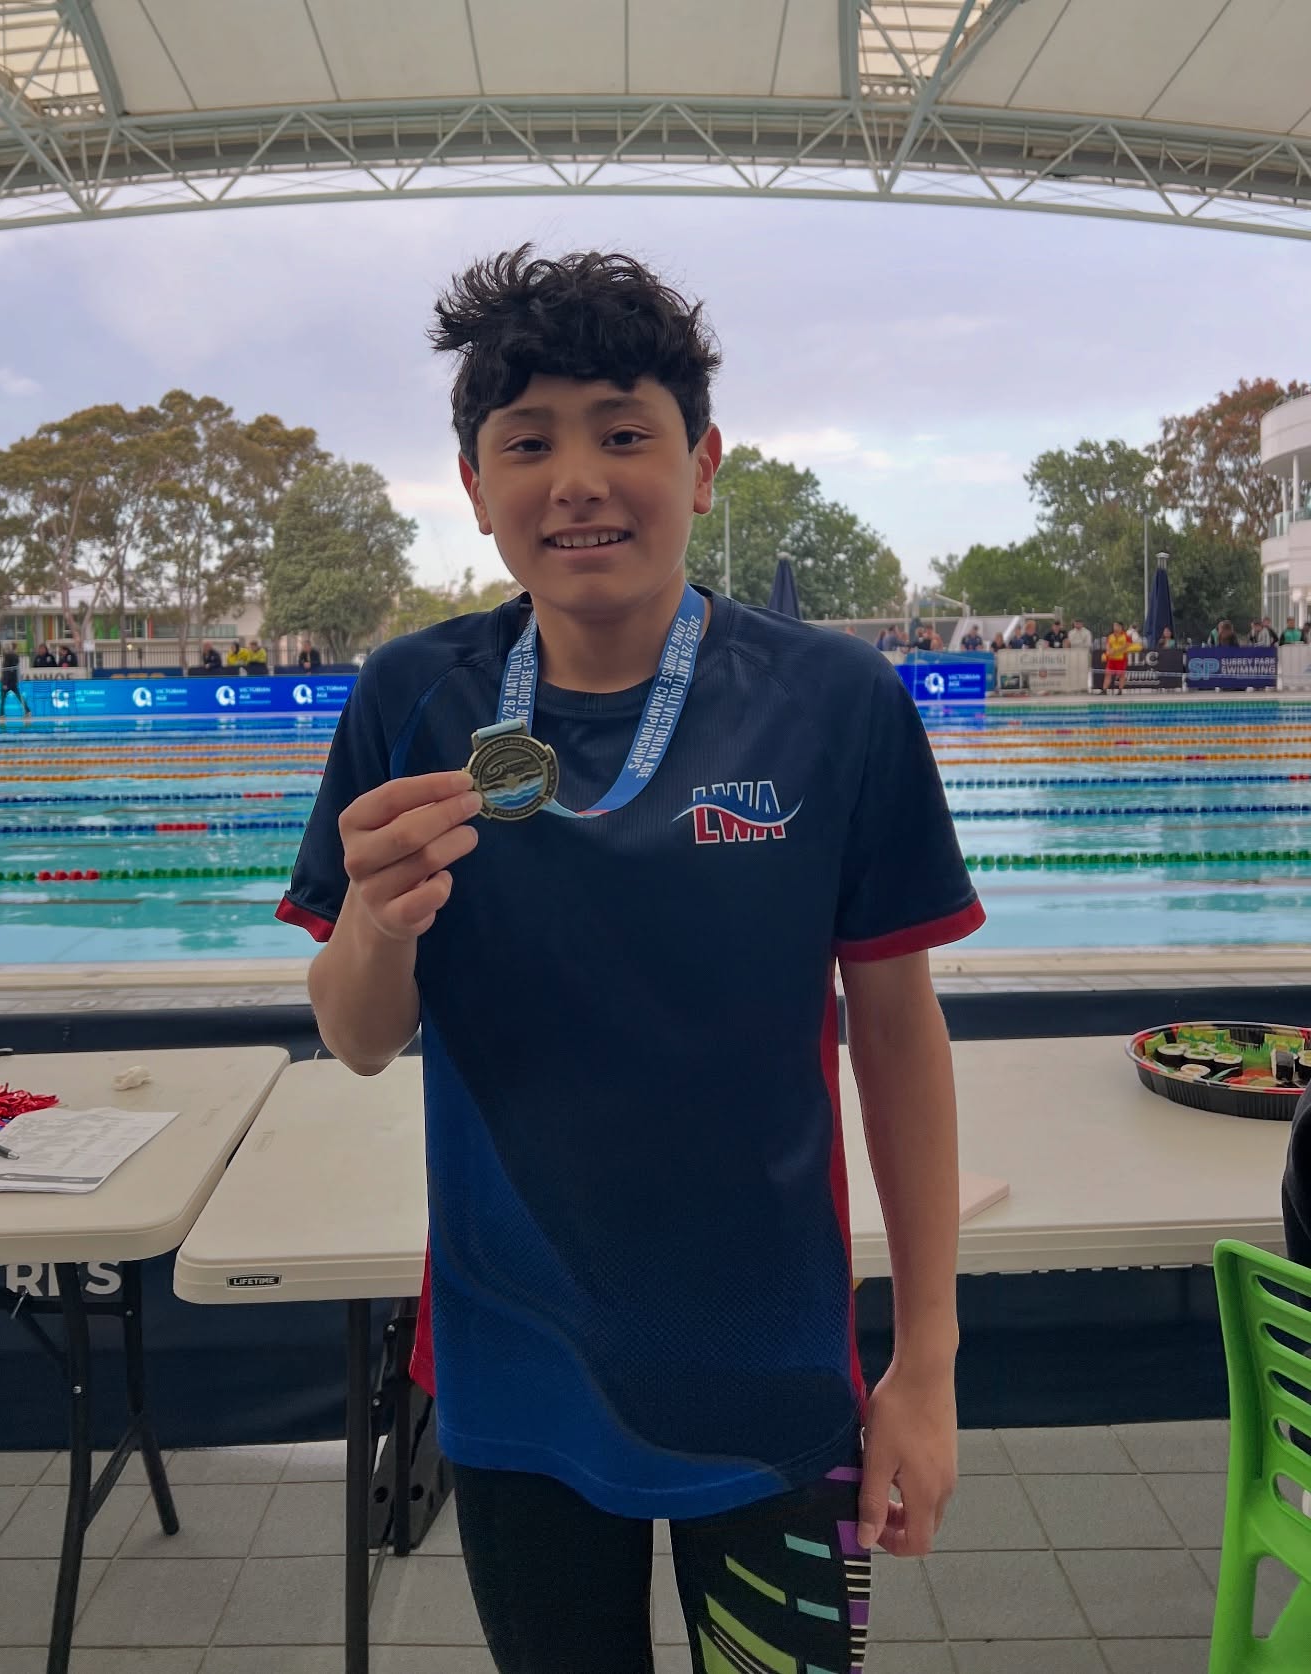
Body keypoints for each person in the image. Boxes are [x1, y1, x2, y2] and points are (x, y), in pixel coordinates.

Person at [279, 246, 982, 1674]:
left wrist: (928, 1361)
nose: (576, 478)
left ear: (703, 461)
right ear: (475, 486)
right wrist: (375, 915)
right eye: (526, 443)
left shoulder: (833, 705)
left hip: (772, 1375)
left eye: (623, 431)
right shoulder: (417, 698)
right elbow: (357, 1034)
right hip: (512, 1364)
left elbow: (898, 1036)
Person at [0, 642, 29, 718]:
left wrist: (5, 683)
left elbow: (6, 672)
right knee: (19, 696)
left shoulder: (7, 659)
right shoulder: (16, 657)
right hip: (13, 681)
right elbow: (13, 671)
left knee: (3, 698)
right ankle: (27, 710)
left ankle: (1, 714)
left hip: (7, 682)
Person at [1102, 620, 1130, 695]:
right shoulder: (1110, 636)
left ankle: (1120, 690)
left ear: (1121, 627)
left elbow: (1127, 646)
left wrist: (1116, 650)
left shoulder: (1125, 636)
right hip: (1111, 659)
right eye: (1114, 626)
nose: (1115, 627)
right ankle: (1104, 690)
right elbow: (1108, 646)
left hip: (1121, 659)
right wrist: (1108, 651)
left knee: (1121, 675)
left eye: (1116, 626)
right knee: (1108, 673)